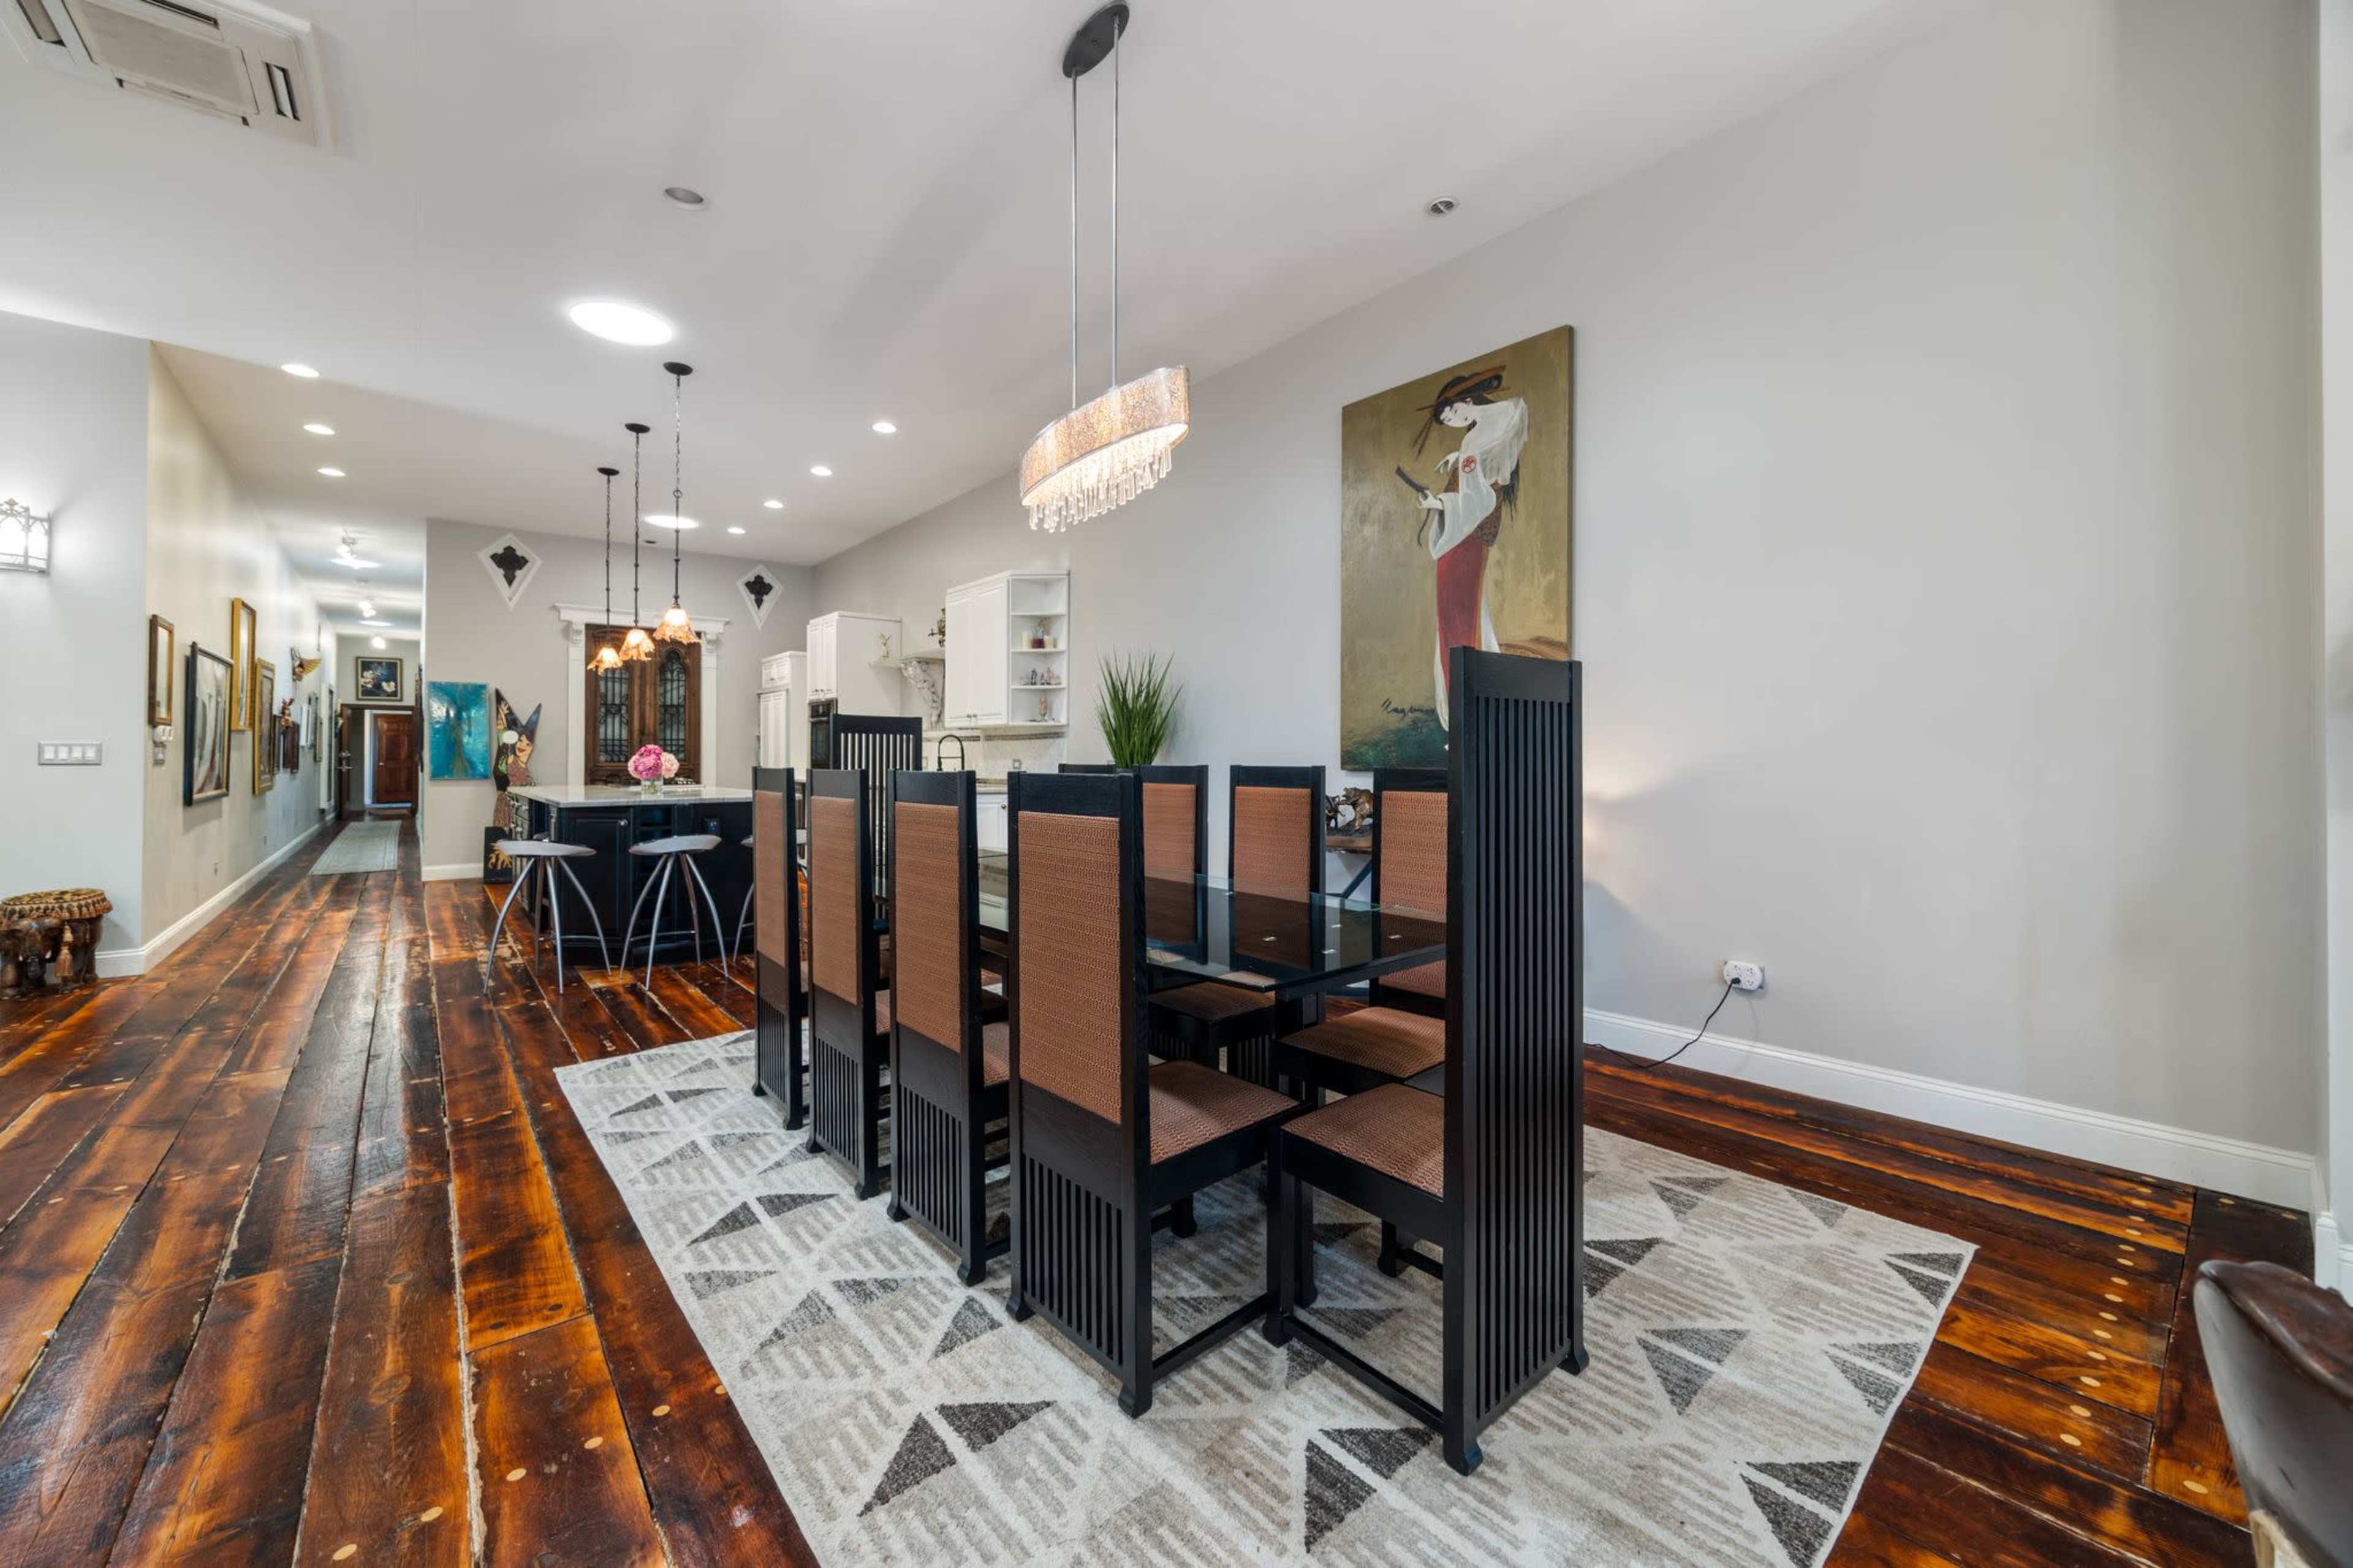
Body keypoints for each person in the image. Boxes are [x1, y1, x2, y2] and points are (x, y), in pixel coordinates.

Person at [1403, 366, 1526, 727]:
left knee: (1457, 617)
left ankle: (1463, 707)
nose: (1455, 421)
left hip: (1464, 540)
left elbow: (1476, 502)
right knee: (1464, 613)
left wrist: (1437, 505)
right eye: (1449, 419)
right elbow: (1480, 483)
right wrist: (1460, 462)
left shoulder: (1474, 445)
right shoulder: (1479, 442)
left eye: (1454, 413)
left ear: (1468, 401)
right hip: (1467, 538)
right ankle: (1471, 703)